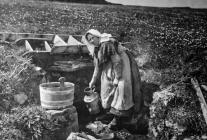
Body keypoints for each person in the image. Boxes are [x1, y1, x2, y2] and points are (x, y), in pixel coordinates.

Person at [82, 29, 143, 129]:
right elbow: (98, 67)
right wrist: (92, 80)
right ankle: (110, 113)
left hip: (122, 63)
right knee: (106, 86)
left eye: (93, 37)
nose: (92, 40)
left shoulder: (106, 44)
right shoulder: (97, 49)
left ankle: (118, 119)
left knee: (121, 88)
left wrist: (117, 78)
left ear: (98, 36)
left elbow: (117, 61)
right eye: (90, 40)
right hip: (110, 64)